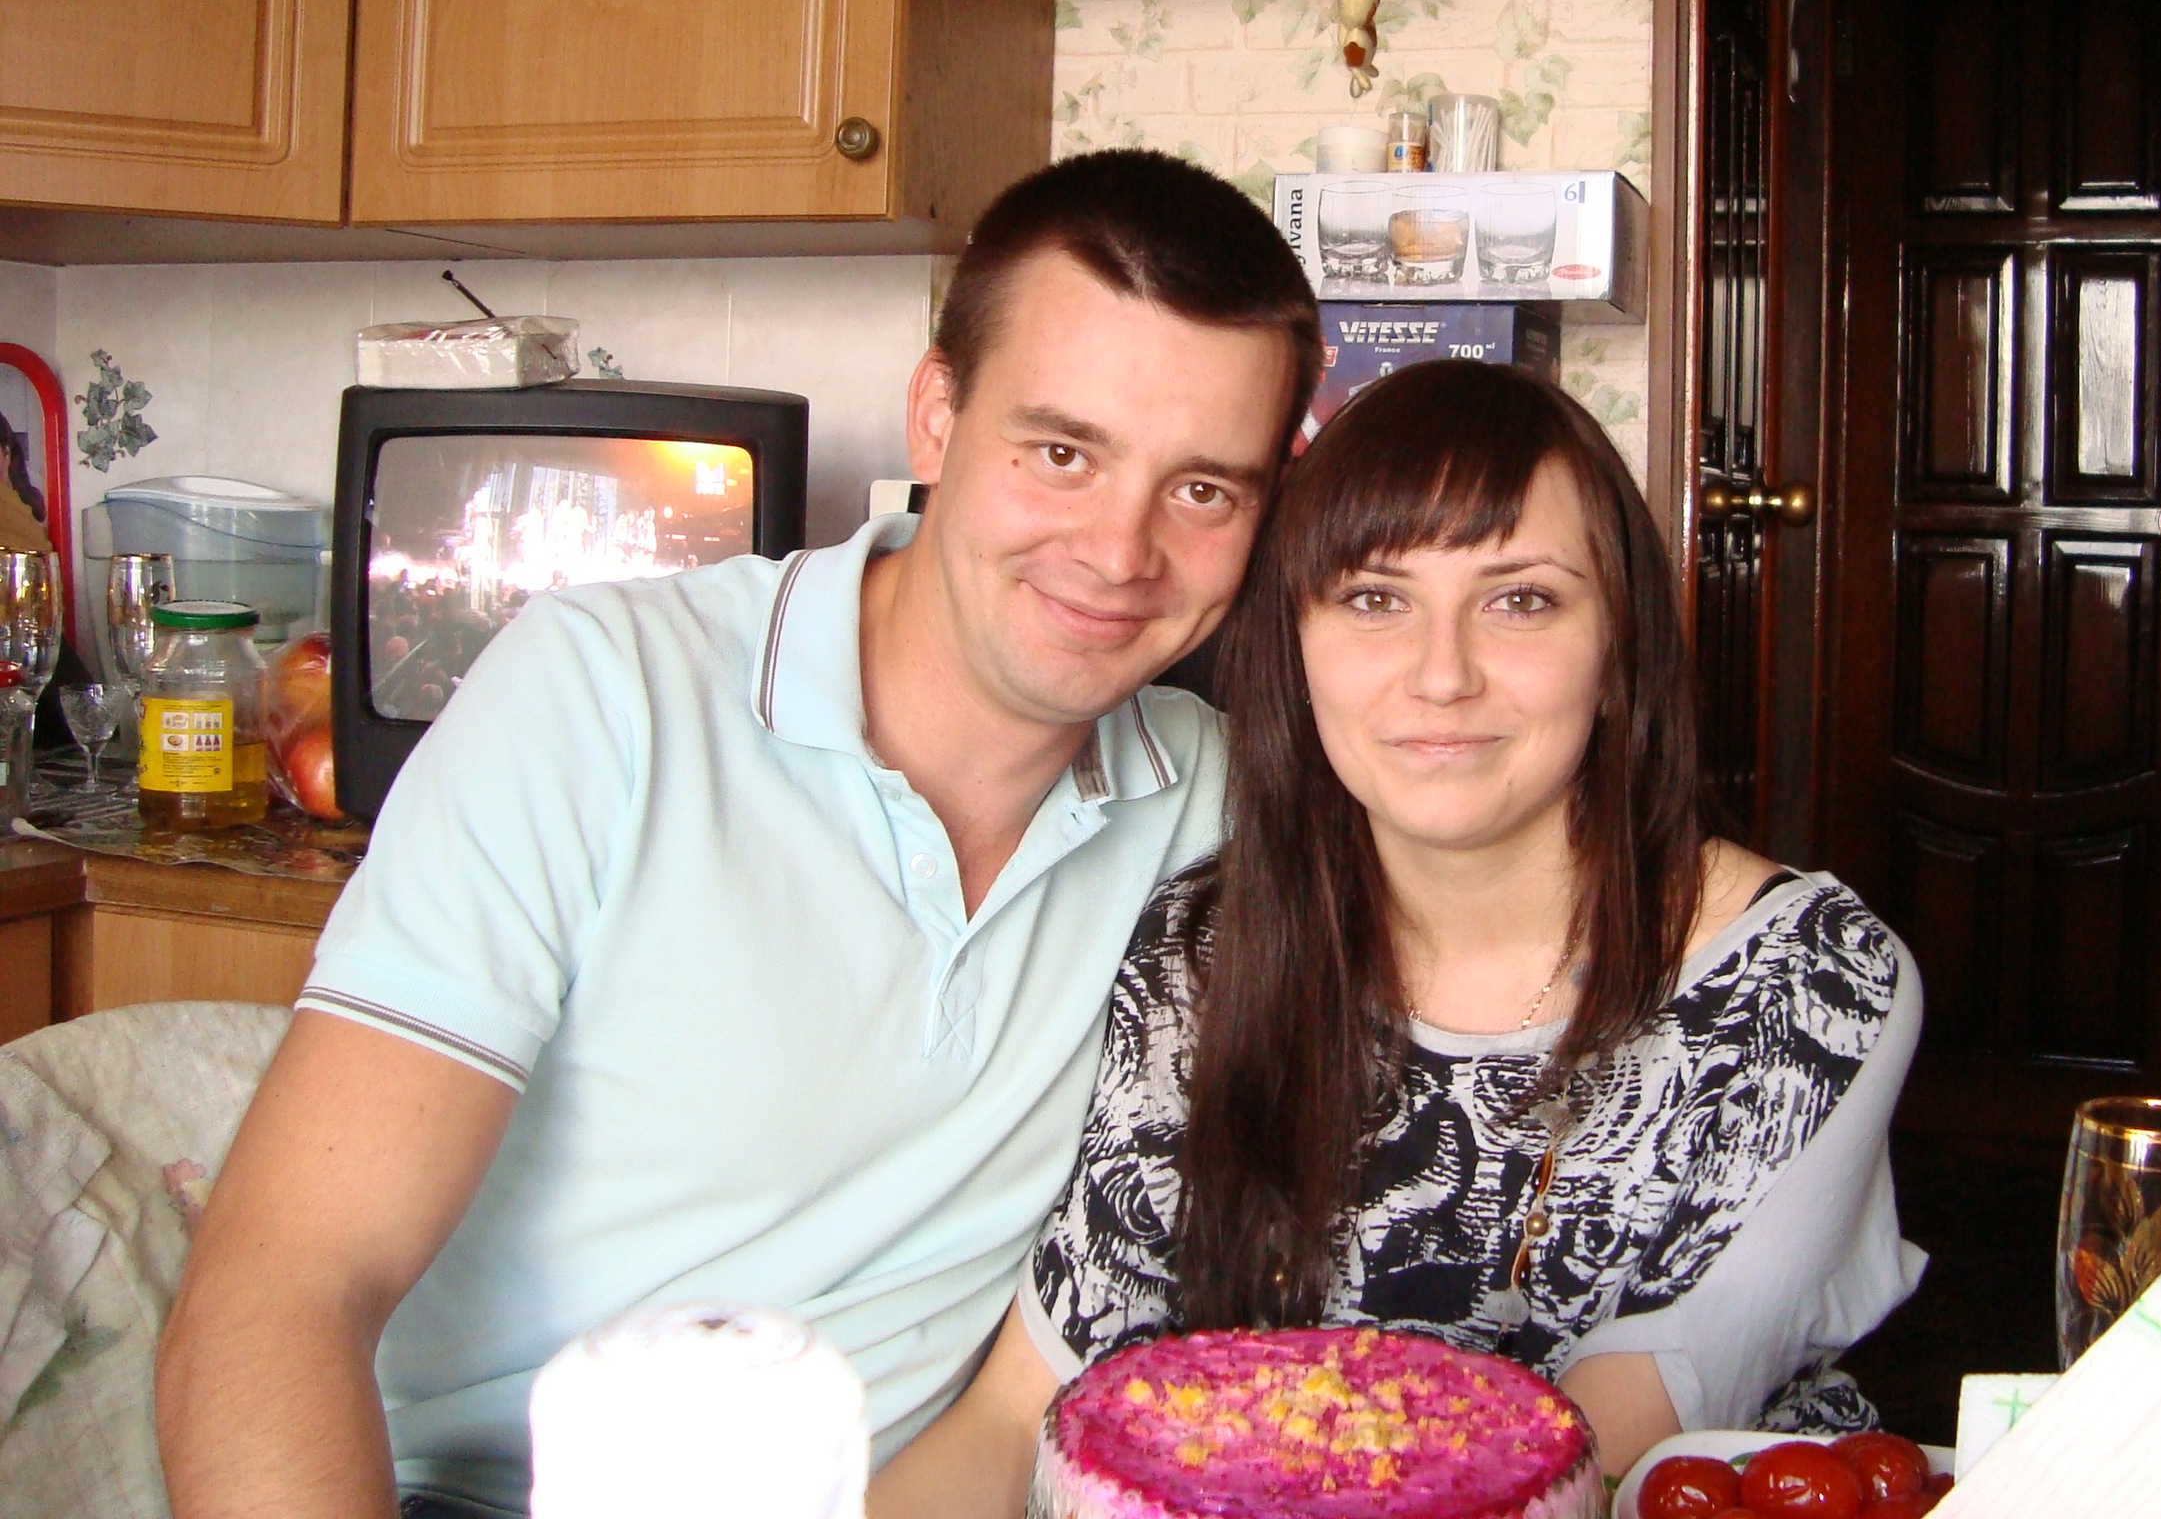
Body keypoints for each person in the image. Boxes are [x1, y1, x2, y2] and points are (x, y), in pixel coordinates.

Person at [154, 151, 1322, 1519]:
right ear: (937, 417)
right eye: (1061, 453)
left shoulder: (1209, 804)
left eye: (1203, 491)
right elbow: (283, 1284)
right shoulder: (604, 697)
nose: (1120, 552)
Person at [875, 360, 1924, 1518]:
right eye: (1375, 599)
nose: (1441, 675)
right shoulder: (1201, 953)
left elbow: (1592, 1455)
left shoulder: (1803, 981)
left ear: (1618, 649)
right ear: (1295, 644)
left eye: (1521, 600)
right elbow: (1019, 1414)